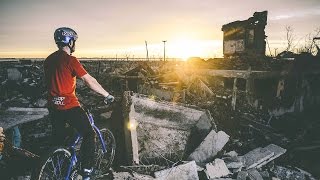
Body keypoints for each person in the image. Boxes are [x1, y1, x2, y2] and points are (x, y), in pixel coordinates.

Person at [44, 27, 114, 180]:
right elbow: (89, 81)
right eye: (73, 41)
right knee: (89, 134)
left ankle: (59, 168)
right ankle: (86, 172)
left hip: (53, 107)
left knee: (59, 140)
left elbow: (56, 82)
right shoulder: (70, 60)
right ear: (69, 41)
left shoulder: (48, 60)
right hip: (69, 106)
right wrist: (106, 94)